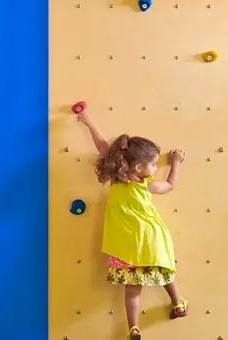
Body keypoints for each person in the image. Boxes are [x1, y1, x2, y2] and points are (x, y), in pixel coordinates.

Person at [76, 109, 187, 340]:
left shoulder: (117, 179)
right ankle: (178, 304)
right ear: (138, 167)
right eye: (154, 165)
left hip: (125, 244)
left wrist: (88, 121)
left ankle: (133, 328)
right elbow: (169, 185)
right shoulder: (146, 186)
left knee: (132, 288)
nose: (155, 169)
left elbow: (102, 144)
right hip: (150, 238)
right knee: (165, 270)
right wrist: (175, 163)